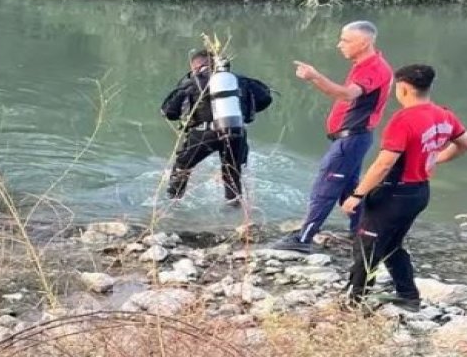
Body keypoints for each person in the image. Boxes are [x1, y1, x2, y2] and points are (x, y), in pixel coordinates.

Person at [340, 64, 467, 309]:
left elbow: (383, 164)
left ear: (402, 88)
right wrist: (436, 157)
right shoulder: (444, 115)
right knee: (392, 244)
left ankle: (353, 304)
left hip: (393, 193)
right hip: (419, 192)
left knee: (367, 247)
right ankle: (408, 295)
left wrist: (357, 195)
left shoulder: (404, 120)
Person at [274, 21, 393, 253]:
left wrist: (314, 76)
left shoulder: (374, 68)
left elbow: (347, 95)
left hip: (352, 139)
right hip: (353, 139)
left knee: (326, 185)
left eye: (346, 40)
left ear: (364, 42)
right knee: (348, 188)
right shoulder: (363, 65)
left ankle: (303, 239)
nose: (340, 45)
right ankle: (361, 232)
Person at [160, 49, 273, 205]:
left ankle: (171, 205)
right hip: (236, 131)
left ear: (197, 66)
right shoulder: (239, 80)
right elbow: (265, 98)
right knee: (232, 174)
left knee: (182, 168)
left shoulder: (193, 83)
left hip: (204, 134)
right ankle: (233, 210)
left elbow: (168, 112)